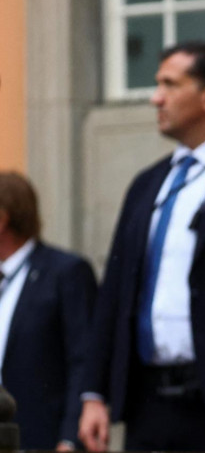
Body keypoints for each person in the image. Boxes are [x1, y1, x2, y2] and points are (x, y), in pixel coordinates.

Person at [78, 42, 205, 453]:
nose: (156, 98)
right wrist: (93, 393)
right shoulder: (148, 184)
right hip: (146, 406)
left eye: (169, 85)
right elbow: (115, 291)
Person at [0, 171, 97, 450]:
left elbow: (84, 361)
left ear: (3, 219)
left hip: (41, 438)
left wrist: (69, 438)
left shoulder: (65, 272)